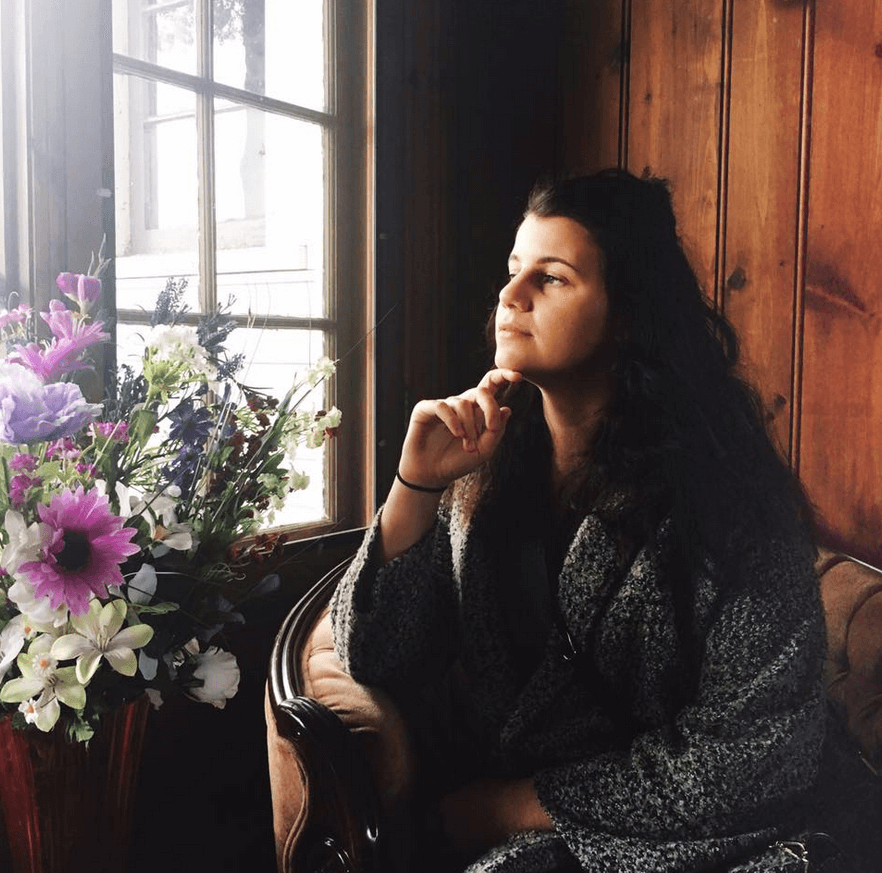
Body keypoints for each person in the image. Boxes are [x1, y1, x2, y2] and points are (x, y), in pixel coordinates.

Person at [331, 169, 825, 873]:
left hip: (710, 842)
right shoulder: (482, 468)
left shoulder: (731, 503)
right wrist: (415, 486)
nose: (510, 295)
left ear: (627, 313)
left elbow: (754, 759)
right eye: (513, 269)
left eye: (552, 277)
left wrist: (511, 806)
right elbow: (377, 657)